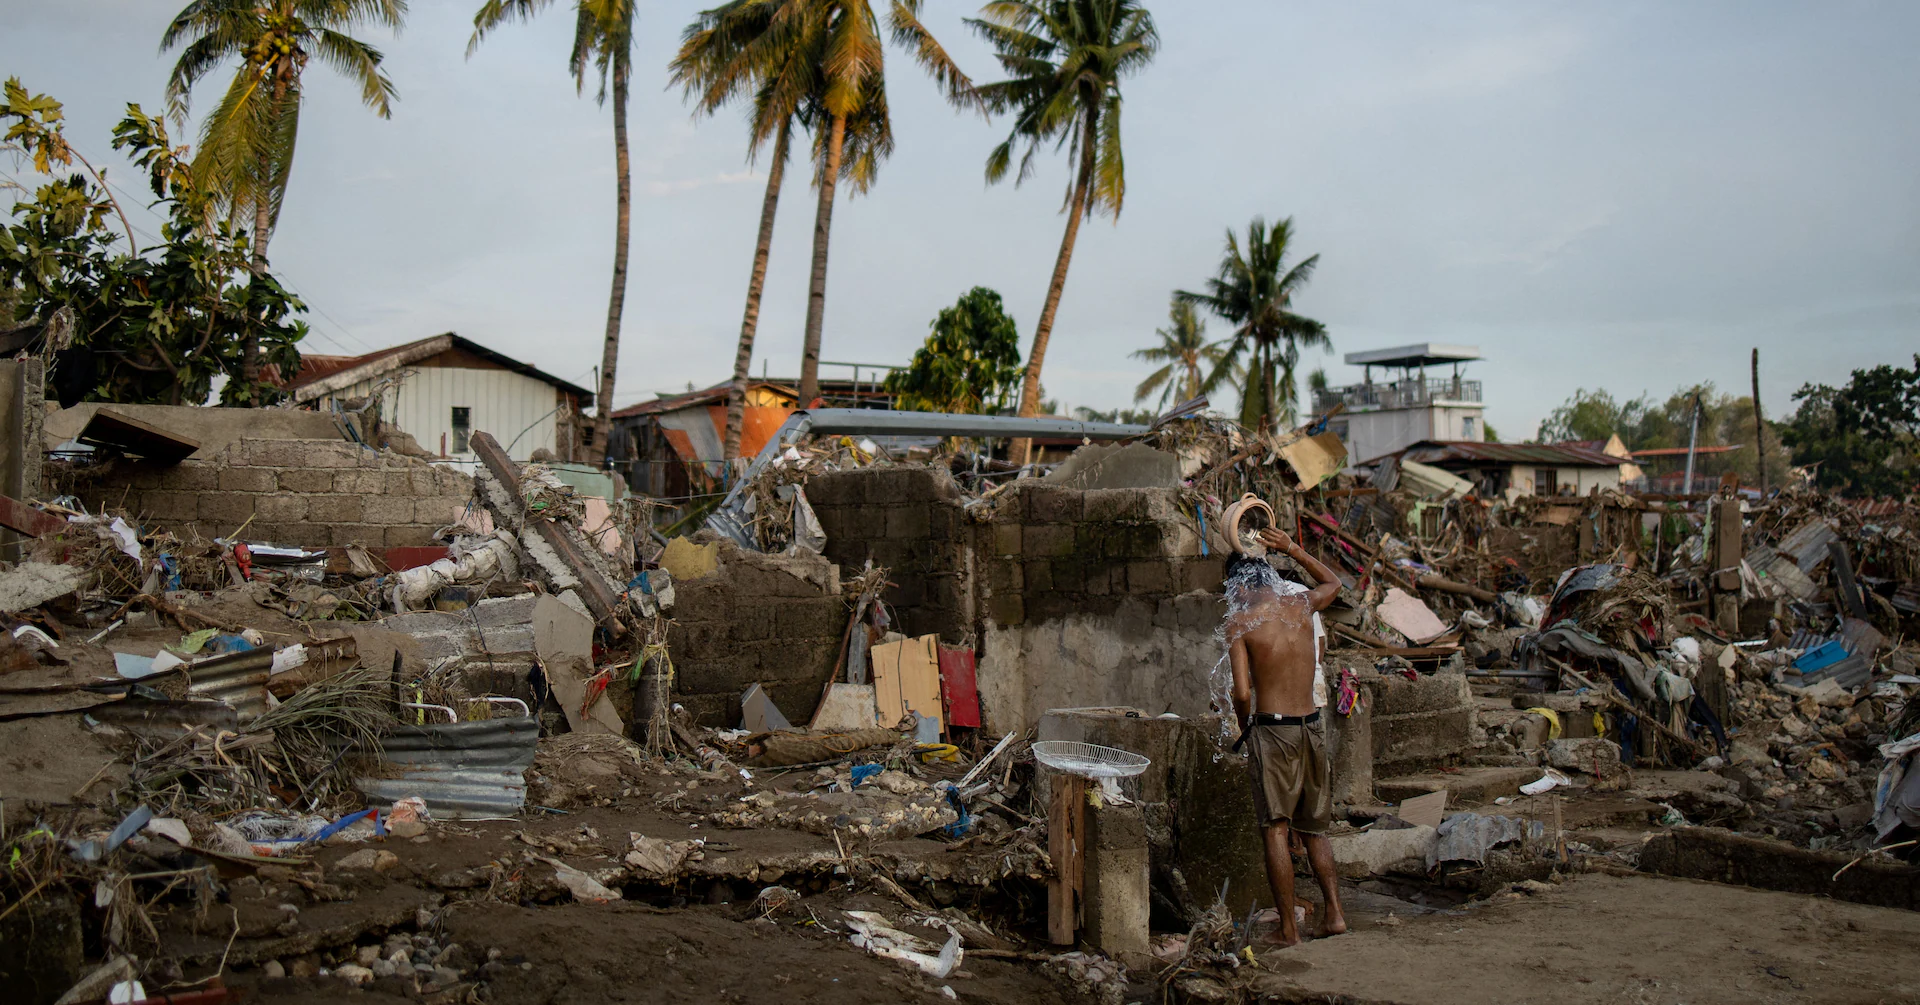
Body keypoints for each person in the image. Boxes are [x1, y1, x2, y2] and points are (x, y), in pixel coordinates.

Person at [1226, 526, 1346, 946]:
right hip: (1312, 725)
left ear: (1235, 586)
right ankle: (1334, 914)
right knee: (1315, 829)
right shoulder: (1301, 604)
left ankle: (1288, 929)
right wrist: (1293, 548)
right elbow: (1335, 582)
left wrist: (1245, 725)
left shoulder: (1240, 622)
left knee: (1276, 828)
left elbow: (1242, 692)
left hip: (1273, 730)